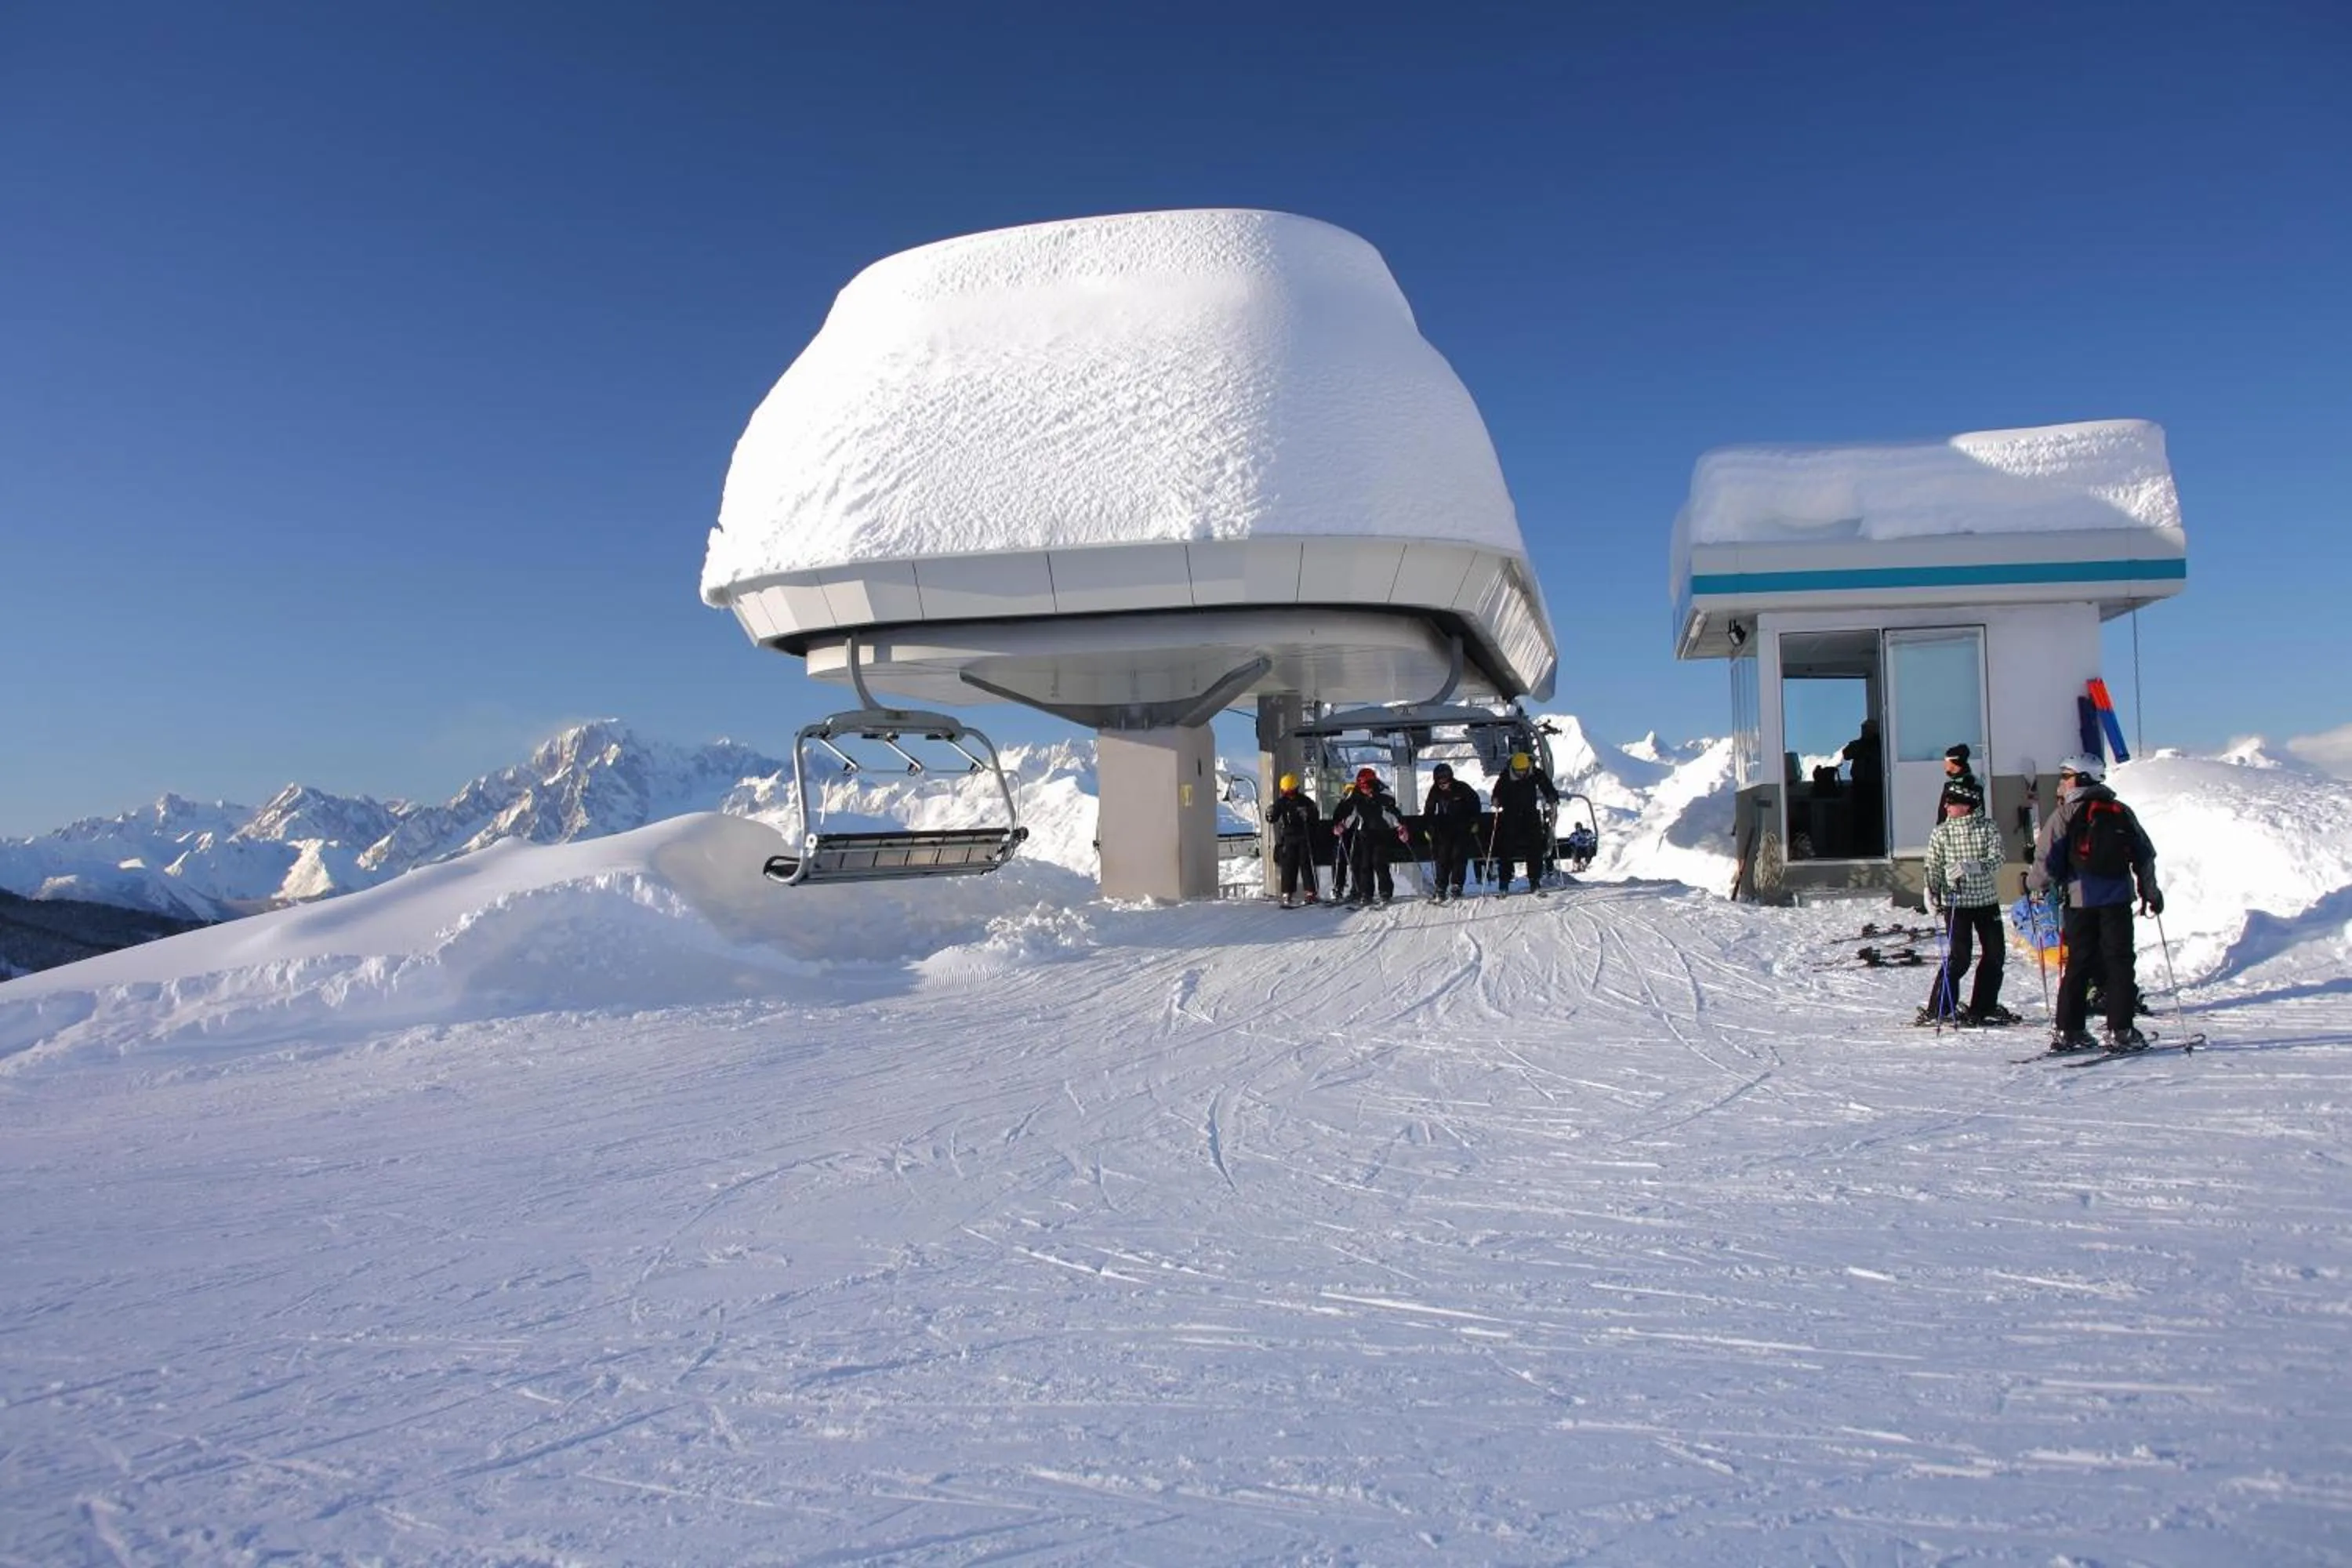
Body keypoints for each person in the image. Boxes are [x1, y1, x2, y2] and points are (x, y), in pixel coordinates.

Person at [2038, 753, 2162, 1052]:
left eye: (2066, 776)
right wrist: (2151, 893)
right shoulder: (2120, 811)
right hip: (2117, 900)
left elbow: (2046, 858)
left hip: (2079, 900)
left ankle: (2070, 1031)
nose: (2062, 782)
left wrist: (2036, 887)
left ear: (2081, 778)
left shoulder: (2066, 814)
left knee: (2079, 963)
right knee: (2119, 963)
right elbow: (2144, 855)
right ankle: (2121, 1030)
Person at [1915, 779, 2018, 1027]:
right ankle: (1940, 1007)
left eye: (1952, 803)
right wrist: (1931, 890)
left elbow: (1997, 859)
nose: (1947, 807)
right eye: (1946, 803)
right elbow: (1934, 865)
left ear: (1968, 806)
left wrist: (1972, 866)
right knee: (1959, 957)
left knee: (1994, 954)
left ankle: (1983, 1006)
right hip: (1956, 903)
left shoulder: (1987, 828)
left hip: (1985, 902)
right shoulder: (1942, 832)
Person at [1331, 767, 1410, 907]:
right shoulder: (1357, 794)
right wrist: (1343, 826)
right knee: (1364, 863)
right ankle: (1366, 893)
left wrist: (1400, 827)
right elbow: (1352, 813)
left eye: (1367, 787)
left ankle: (1385, 892)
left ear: (1373, 784)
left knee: (1379, 862)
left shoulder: (1383, 793)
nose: (1364, 789)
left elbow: (1392, 812)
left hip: (1382, 831)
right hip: (1365, 832)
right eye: (1361, 787)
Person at [1490, 751, 1559, 895]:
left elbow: (1546, 785)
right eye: (1518, 771)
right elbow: (1498, 791)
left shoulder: (1534, 773)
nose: (1521, 774)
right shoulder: (1506, 776)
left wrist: (1551, 796)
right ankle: (1504, 882)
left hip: (1530, 814)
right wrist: (1496, 799)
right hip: (1510, 814)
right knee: (1506, 845)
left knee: (1535, 845)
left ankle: (1534, 880)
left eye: (1523, 771)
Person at [1421, 761, 1482, 903]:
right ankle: (1441, 886)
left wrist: (1474, 821)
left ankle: (1457, 885)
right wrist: (1429, 827)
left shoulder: (1462, 788)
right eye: (1439, 781)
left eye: (1445, 780)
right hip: (1444, 829)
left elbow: (1475, 803)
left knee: (1459, 855)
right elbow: (1429, 810)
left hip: (1462, 827)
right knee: (1442, 857)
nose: (1442, 784)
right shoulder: (1435, 790)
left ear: (1450, 778)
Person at [1265, 773, 1321, 908]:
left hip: (1304, 837)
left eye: (1291, 792)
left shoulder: (1305, 801)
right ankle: (1287, 893)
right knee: (1288, 866)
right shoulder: (1281, 803)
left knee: (1305, 864)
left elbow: (1315, 817)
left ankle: (1310, 892)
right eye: (1286, 792)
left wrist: (1308, 815)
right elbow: (1272, 818)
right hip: (1288, 838)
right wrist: (1270, 813)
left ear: (1296, 789)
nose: (1289, 795)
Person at [1842, 718, 1885, 856]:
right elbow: (1847, 754)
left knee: (1874, 818)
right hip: (1860, 786)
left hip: (1875, 786)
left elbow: (1878, 758)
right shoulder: (1859, 744)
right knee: (1859, 819)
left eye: (1868, 729)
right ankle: (1860, 848)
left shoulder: (1880, 745)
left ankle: (1874, 847)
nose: (1865, 731)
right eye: (1864, 729)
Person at [1933, 744, 1982, 835]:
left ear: (1955, 763)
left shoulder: (1952, 786)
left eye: (1946, 761)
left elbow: (1942, 814)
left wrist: (1940, 831)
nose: (1944, 765)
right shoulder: (1976, 783)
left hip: (1957, 833)